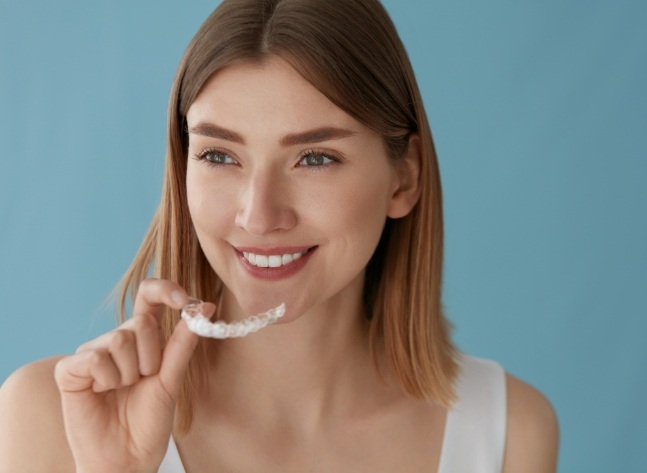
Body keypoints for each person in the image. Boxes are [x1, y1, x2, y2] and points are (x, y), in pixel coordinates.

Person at [0, 0, 559, 471]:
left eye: (315, 158)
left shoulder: (508, 433)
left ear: (403, 177)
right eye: (219, 155)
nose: (259, 215)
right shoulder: (49, 418)